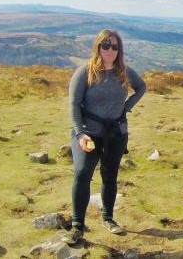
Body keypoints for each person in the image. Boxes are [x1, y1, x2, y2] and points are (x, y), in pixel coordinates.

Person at [62, 29, 146, 245]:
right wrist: (80, 133)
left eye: (114, 46)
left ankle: (108, 218)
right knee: (82, 173)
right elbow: (73, 104)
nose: (110, 50)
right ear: (98, 47)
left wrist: (126, 107)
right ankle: (77, 226)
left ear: (120, 50)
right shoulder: (85, 72)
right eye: (105, 45)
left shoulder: (123, 71)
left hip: (116, 134)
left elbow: (141, 87)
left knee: (110, 175)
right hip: (88, 134)